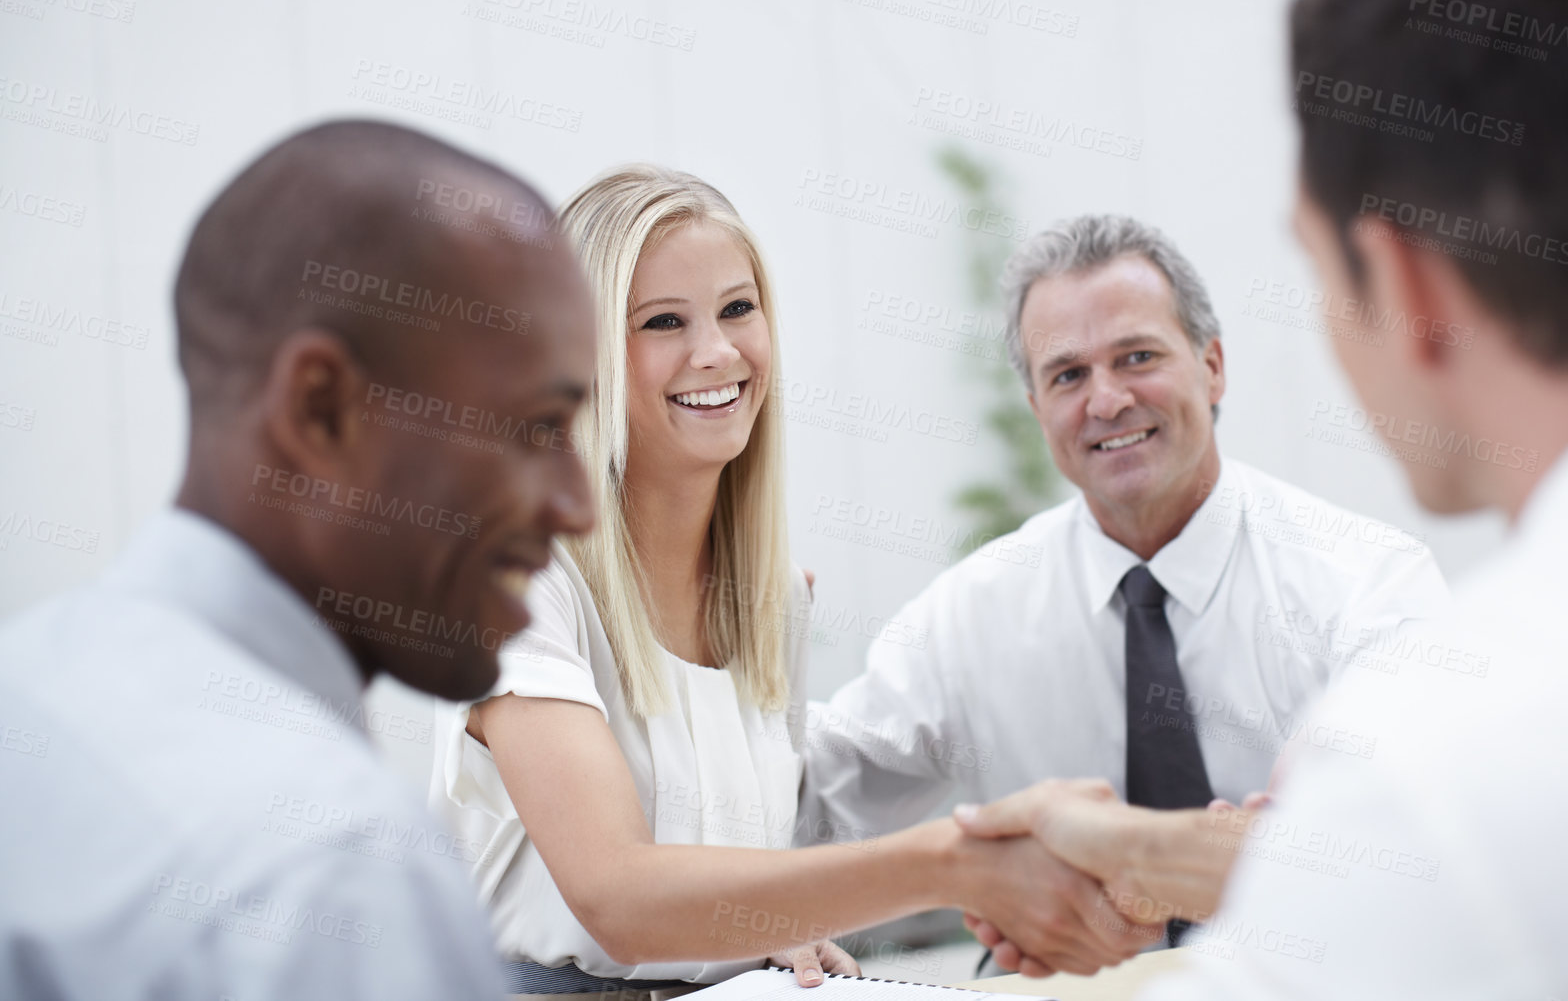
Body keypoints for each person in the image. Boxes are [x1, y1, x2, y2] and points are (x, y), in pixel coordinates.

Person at [954, 0, 1568, 998]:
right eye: (1064, 374)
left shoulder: (1443, 758)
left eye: (1317, 267)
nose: (1103, 400)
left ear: (1405, 280)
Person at [429, 165, 1158, 998]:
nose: (718, 352)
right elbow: (619, 898)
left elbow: (740, 870)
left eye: (739, 309)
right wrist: (959, 866)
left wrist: (777, 928)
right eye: (663, 321)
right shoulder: (517, 581)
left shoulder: (772, 599)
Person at [0, 120, 598, 999]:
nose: (577, 506)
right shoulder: (339, 872)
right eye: (539, 428)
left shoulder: (33, 684)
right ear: (321, 410)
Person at [801, 213, 1452, 968]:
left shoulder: (1368, 582)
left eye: (1137, 357)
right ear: (1036, 407)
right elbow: (820, 796)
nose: (1106, 401)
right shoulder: (973, 613)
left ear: (1212, 366)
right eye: (1067, 375)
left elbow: (1400, 830)